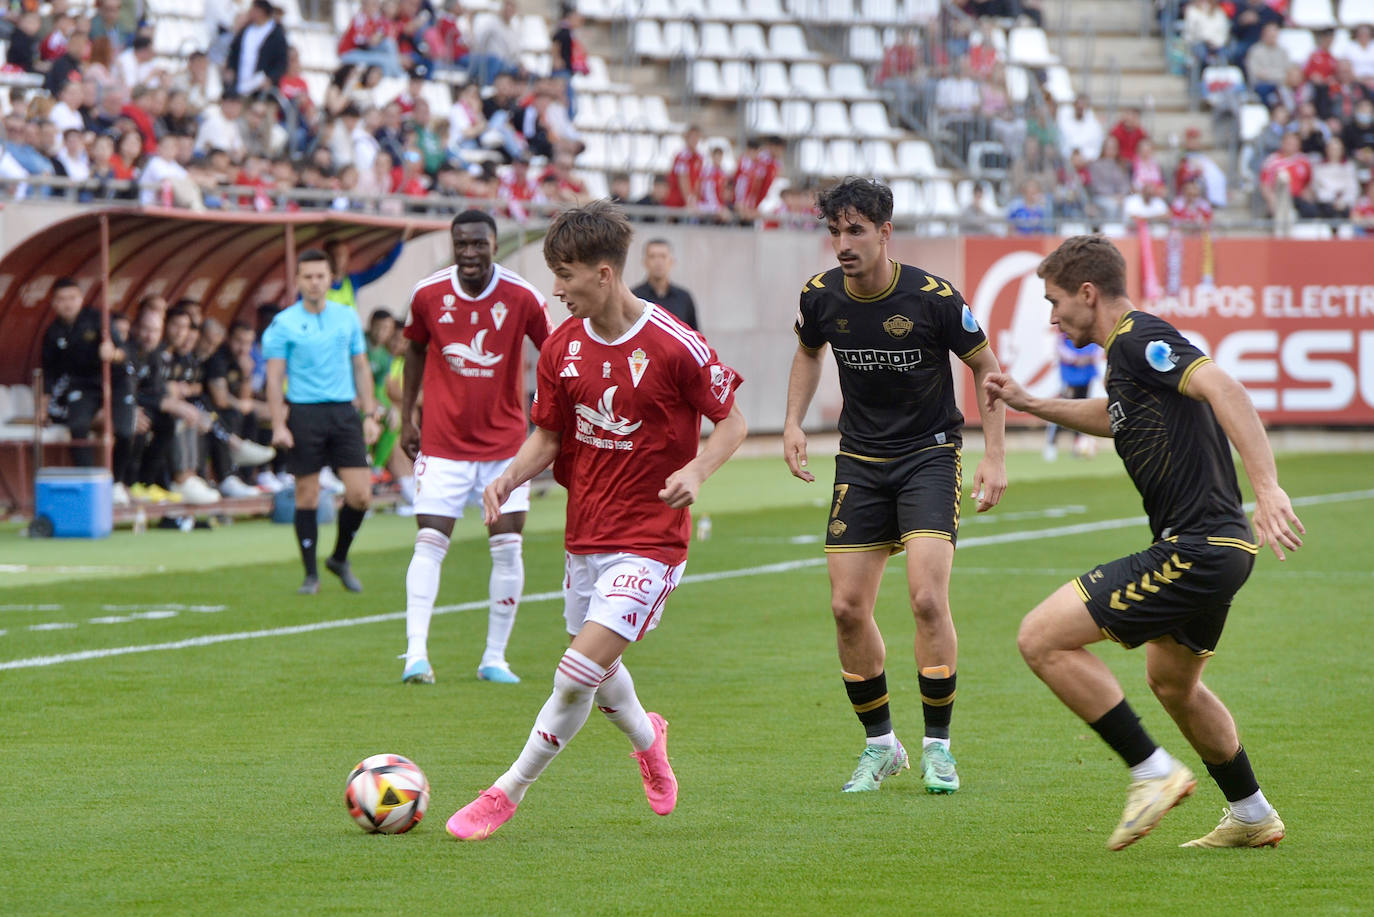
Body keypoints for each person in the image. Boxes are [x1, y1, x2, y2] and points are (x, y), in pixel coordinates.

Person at [983, 234, 1302, 851]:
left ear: (1087, 292)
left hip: (1195, 548)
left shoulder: (1138, 337)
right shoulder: (1124, 357)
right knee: (1173, 683)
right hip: (1219, 551)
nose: (1051, 316)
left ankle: (1151, 772)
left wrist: (1268, 488)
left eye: (1054, 301)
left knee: (1040, 638)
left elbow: (1226, 389)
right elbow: (1115, 416)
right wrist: (1029, 403)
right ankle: (1252, 812)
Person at [446, 200, 746, 841]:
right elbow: (549, 438)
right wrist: (507, 475)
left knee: (575, 670)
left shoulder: (674, 345)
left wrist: (696, 471)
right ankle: (648, 737)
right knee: (598, 670)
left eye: (566, 274)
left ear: (604, 274)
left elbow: (733, 422)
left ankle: (505, 792)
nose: (556, 289)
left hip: (652, 541)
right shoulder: (561, 348)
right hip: (585, 535)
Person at [782, 178, 1008, 796]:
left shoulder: (933, 299)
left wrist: (993, 454)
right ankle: (882, 747)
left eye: (855, 230)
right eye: (834, 231)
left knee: (927, 600)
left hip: (929, 457)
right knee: (846, 608)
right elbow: (808, 352)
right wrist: (794, 421)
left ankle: (940, 749)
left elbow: (987, 368)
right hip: (859, 460)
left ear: (886, 231)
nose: (842, 244)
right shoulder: (821, 296)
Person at [397, 210, 553, 686]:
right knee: (429, 543)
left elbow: (553, 355)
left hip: (505, 448)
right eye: (460, 244)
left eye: (478, 244)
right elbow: (414, 352)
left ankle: (494, 658)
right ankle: (415, 656)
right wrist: (407, 417)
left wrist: (549, 423)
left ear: (492, 243)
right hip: (442, 444)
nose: (469, 254)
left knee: (507, 549)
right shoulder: (427, 293)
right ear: (452, 243)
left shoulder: (523, 296)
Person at [264, 250, 382, 595]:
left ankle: (339, 557)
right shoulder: (283, 323)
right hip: (304, 413)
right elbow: (273, 379)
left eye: (320, 276)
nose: (314, 283)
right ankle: (310, 574)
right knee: (307, 494)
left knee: (361, 495)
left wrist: (371, 414)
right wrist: (278, 424)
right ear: (298, 281)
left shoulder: (346, 317)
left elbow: (361, 367)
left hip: (344, 412)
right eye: (307, 277)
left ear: (331, 279)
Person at [41, 278, 116, 467]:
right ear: (54, 303)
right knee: (78, 425)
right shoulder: (52, 333)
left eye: (72, 298)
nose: (68, 304)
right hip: (75, 389)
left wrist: (112, 352)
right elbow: (49, 374)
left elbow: (120, 350)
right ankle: (88, 476)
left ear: (81, 299)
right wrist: (42, 408)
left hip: (107, 384)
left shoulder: (97, 319)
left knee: (125, 424)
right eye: (62, 299)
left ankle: (121, 480)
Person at [1043, 333, 1100, 462]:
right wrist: (1075, 359)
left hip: (1086, 375)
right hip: (1070, 377)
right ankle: (1051, 443)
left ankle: (1077, 445)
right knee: (1062, 411)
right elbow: (1059, 347)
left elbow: (1098, 346)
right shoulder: (1065, 329)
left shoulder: (1091, 326)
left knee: (1082, 412)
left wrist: (1089, 358)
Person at [325, 233, 408, 311]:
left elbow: (383, 267)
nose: (337, 259)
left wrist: (401, 242)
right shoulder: (318, 282)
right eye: (333, 255)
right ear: (326, 258)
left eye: (341, 255)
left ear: (347, 257)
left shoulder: (353, 280)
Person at [630, 238, 699, 330]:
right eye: (652, 256)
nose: (658, 262)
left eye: (663, 256)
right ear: (645, 262)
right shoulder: (634, 297)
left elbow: (695, 335)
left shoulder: (684, 298)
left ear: (672, 261)